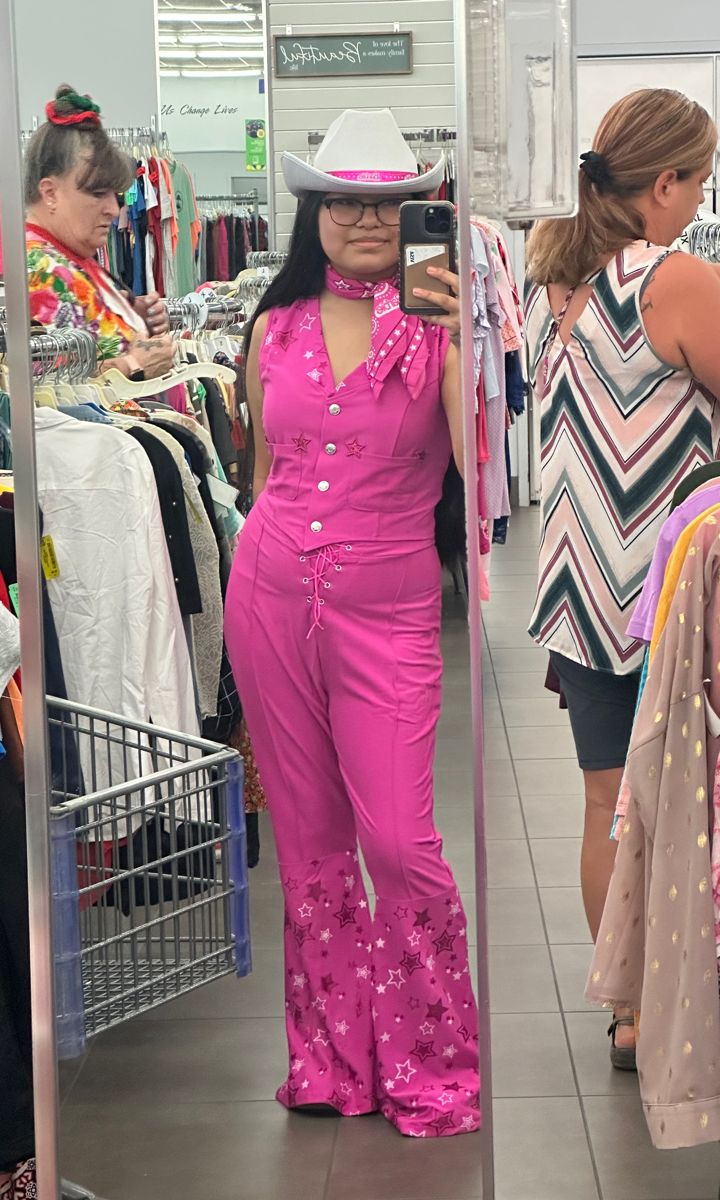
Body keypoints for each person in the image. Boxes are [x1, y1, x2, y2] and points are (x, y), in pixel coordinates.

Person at [223, 108, 480, 1138]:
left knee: (399, 836)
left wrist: (469, 341)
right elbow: (256, 477)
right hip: (270, 595)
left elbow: (478, 467)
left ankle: (429, 1061)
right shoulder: (270, 328)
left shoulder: (437, 327)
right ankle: (330, 1061)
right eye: (347, 200)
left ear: (418, 210)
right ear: (313, 212)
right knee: (314, 842)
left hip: (391, 605)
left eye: (388, 201)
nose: (368, 218)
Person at [525, 88, 720, 1067]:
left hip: (580, 584)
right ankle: (685, 994)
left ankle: (630, 1011)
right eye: (699, 182)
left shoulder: (554, 270)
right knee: (688, 799)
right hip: (671, 590)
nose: (699, 201)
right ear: (666, 180)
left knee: (608, 801)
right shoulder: (676, 279)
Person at [24, 85, 173, 380]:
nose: (113, 209)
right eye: (97, 193)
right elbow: (44, 394)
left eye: (115, 196)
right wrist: (133, 366)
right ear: (50, 192)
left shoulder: (69, 259)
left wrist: (132, 314)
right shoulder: (41, 272)